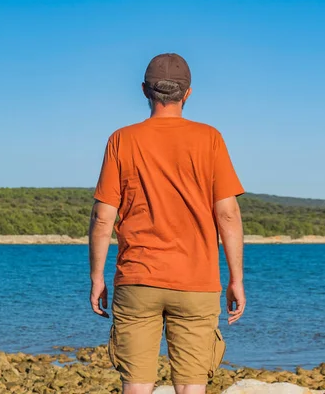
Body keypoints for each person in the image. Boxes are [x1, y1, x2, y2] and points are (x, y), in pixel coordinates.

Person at [89, 53, 246, 394]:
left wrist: (97, 277)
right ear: (187, 94)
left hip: (138, 280)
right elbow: (228, 214)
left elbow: (103, 218)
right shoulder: (210, 139)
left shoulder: (122, 140)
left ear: (145, 90)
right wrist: (236, 279)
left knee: (136, 385)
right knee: (192, 386)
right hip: (196, 283)